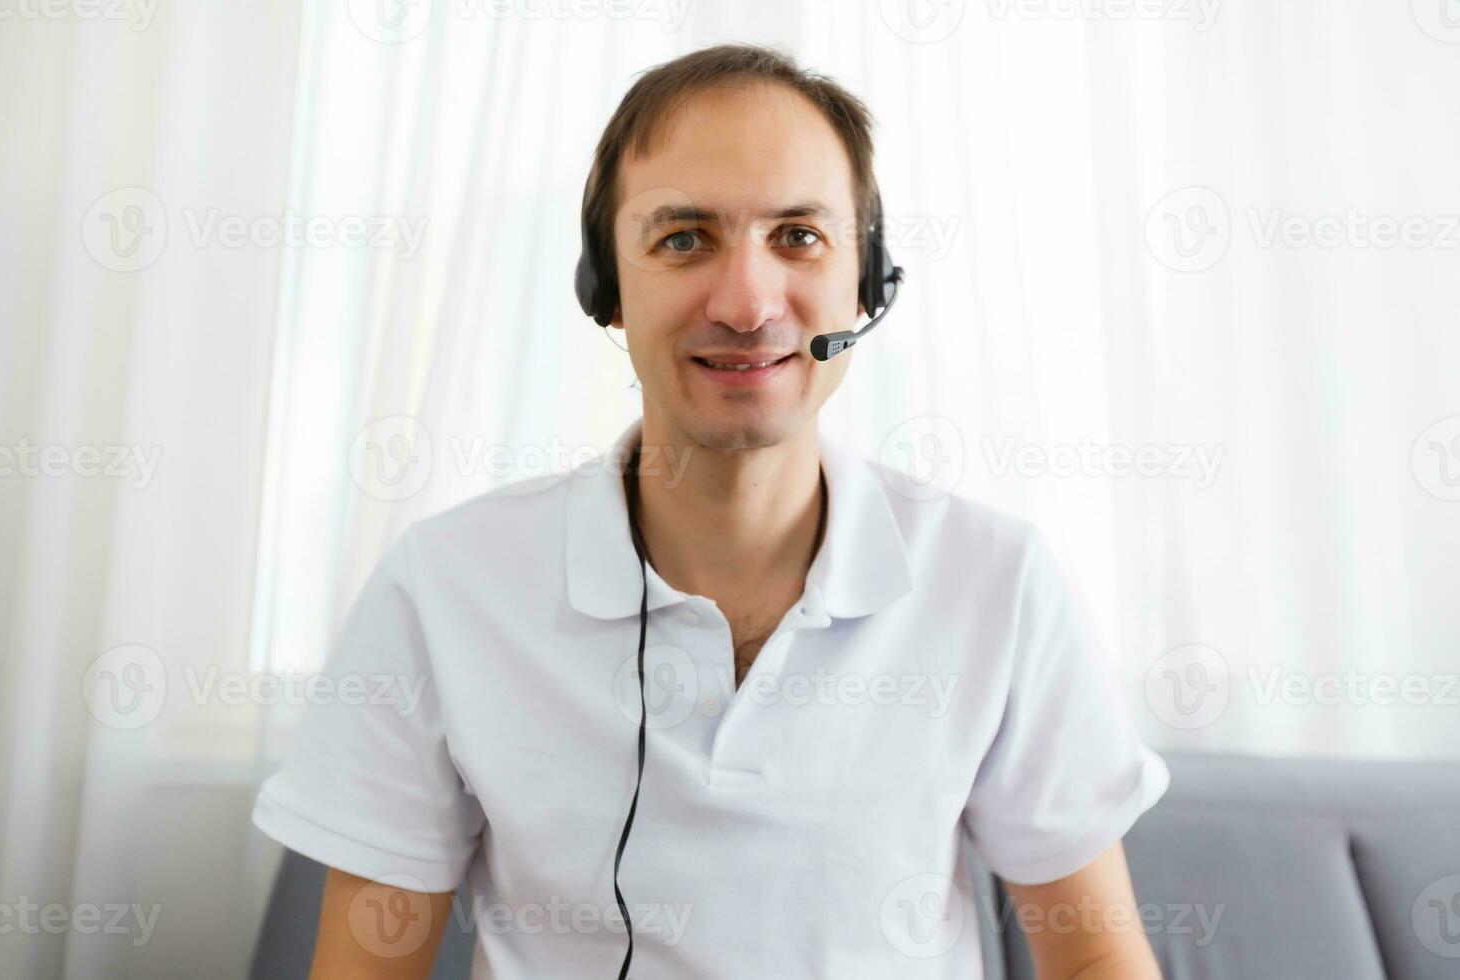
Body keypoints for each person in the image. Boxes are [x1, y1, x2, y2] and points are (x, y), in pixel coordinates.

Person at [252, 42, 1170, 980]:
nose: (744, 302)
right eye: (683, 237)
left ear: (870, 282)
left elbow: (1095, 958)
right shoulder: (444, 587)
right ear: (604, 289)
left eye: (799, 236)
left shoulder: (996, 580)